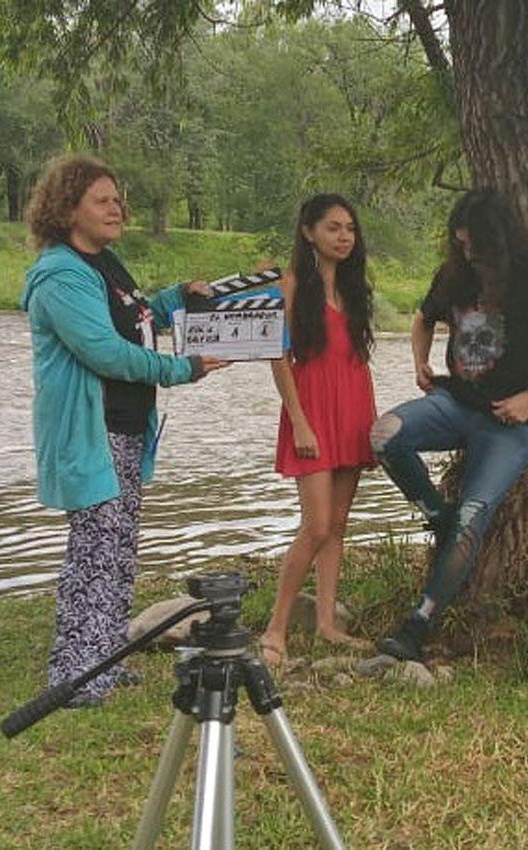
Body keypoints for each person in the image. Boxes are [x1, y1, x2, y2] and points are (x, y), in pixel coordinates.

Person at [21, 154, 227, 708]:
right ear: (68, 211)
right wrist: (184, 369)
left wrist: (176, 298)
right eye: (102, 200)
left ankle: (103, 663)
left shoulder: (105, 264)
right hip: (92, 433)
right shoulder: (60, 274)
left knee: (118, 549)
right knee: (94, 552)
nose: (117, 208)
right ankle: (76, 678)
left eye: (118, 199)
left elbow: (135, 320)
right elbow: (106, 352)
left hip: (127, 431)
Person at [367, 188, 528, 662]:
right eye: (460, 244)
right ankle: (437, 516)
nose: (468, 254)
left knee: (475, 516)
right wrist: (421, 362)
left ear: (500, 239)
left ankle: (417, 627)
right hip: (456, 402)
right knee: (384, 434)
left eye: (476, 246)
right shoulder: (454, 274)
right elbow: (423, 319)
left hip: (513, 423)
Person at [258, 194, 377, 668]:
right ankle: (276, 628)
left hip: (353, 409)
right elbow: (278, 358)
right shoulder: (288, 287)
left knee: (339, 526)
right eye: (333, 227)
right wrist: (300, 420)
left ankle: (327, 623)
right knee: (317, 524)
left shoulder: (353, 289)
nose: (344, 236)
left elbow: (356, 358)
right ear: (308, 232)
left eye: (349, 228)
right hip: (311, 413)